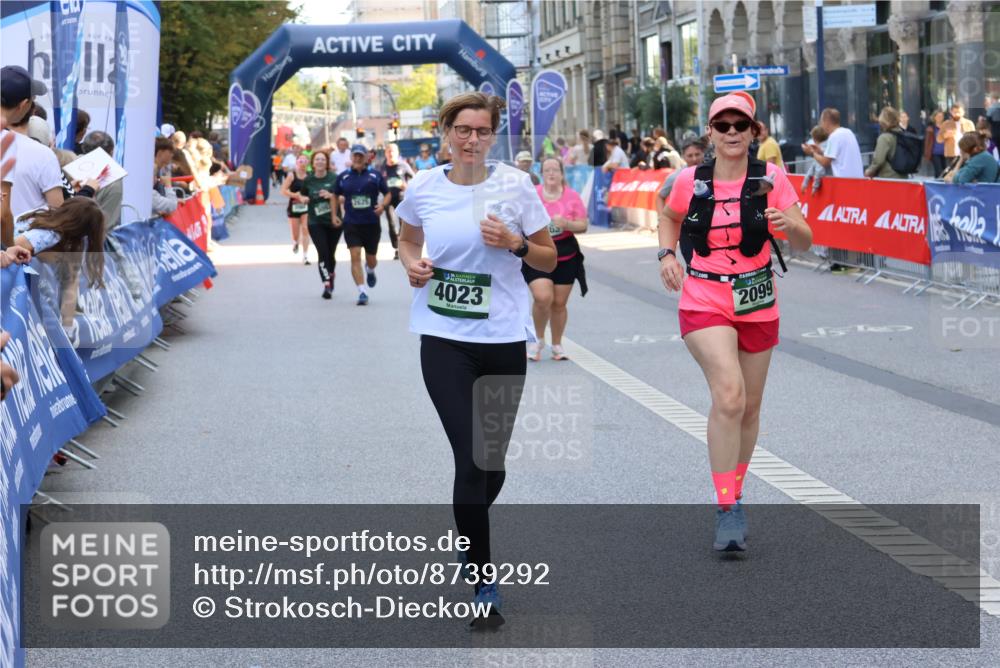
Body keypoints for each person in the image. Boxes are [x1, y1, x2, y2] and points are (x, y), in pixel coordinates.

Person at [397, 91, 556, 627]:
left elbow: (549, 256)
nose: (471, 140)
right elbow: (406, 239)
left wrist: (514, 243)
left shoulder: (515, 184)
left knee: (492, 466)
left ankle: (469, 525)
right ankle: (483, 581)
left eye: (482, 131)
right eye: (462, 130)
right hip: (442, 338)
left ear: (493, 135)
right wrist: (411, 268)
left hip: (503, 339)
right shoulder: (423, 186)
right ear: (446, 133)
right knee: (472, 458)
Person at [657, 91, 812, 552]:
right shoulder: (689, 179)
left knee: (749, 407)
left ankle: (734, 491)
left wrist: (787, 224)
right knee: (729, 395)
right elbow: (668, 216)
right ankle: (727, 506)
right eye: (721, 126)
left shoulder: (773, 178)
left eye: (738, 126)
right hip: (704, 295)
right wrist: (667, 254)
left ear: (752, 132)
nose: (730, 133)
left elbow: (804, 241)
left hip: (757, 295)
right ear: (710, 133)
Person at [14, 197, 106, 343]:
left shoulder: (47, 215)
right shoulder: (49, 235)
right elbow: (10, 248)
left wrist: (67, 330)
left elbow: (71, 282)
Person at [523, 157, 588, 361]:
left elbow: (583, 225)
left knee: (559, 303)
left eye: (555, 170)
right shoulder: (533, 195)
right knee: (543, 297)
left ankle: (557, 343)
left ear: (561, 173)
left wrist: (566, 224)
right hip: (538, 250)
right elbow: (520, 219)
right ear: (542, 173)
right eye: (547, 170)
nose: (551, 173)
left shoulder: (572, 196)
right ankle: (538, 339)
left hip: (565, 252)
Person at [1, 66, 64, 222]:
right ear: (24, 105)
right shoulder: (40, 153)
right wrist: (10, 245)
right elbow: (58, 214)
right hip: (22, 242)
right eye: (32, 100)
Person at [333, 144, 389, 305]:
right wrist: (334, 215)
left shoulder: (375, 175)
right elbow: (335, 195)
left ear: (366, 157)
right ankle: (362, 291)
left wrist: (383, 206)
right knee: (355, 256)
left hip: (371, 223)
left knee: (371, 259)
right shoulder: (343, 176)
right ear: (351, 158)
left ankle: (370, 270)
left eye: (360, 155)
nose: (357, 158)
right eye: (355, 155)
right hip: (351, 223)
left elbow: (388, 194)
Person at [299, 150, 340, 299]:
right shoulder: (308, 180)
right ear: (313, 163)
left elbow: (342, 197)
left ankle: (331, 273)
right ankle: (327, 284)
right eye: (317, 160)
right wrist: (303, 199)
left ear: (327, 162)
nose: (320, 162)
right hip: (315, 222)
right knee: (322, 252)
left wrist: (331, 195)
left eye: (323, 159)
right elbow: (302, 194)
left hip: (334, 221)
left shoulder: (335, 178)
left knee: (331, 253)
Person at [802, 108, 863, 178]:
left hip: (844, 182)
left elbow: (825, 162)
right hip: (858, 180)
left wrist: (812, 153)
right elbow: (837, 157)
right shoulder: (849, 132)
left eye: (821, 122)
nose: (821, 125)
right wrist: (820, 151)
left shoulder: (834, 137)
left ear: (827, 121)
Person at [80, 131, 123, 229]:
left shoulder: (68, 165)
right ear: (111, 152)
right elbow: (107, 223)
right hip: (94, 237)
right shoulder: (114, 180)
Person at [379, 143, 415, 259]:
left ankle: (400, 247)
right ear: (385, 154)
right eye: (388, 151)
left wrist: (406, 185)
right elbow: (378, 183)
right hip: (388, 198)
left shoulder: (403, 165)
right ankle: (396, 247)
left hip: (401, 198)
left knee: (402, 224)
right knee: (391, 224)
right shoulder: (382, 167)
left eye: (393, 151)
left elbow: (414, 180)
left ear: (397, 153)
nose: (391, 154)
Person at [656, 138, 707, 210]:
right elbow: (660, 197)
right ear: (683, 157)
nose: (694, 159)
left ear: (703, 153)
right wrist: (661, 219)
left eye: (697, 154)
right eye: (690, 156)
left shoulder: (713, 171)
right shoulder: (676, 176)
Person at [281, 154, 312, 265]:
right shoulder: (291, 176)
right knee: (295, 234)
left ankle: (305, 256)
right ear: (297, 162)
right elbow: (283, 191)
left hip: (306, 207)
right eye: (300, 161)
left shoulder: (310, 176)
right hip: (293, 207)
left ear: (307, 163)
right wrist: (296, 195)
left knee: (305, 228)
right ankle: (295, 242)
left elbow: (313, 190)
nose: (302, 163)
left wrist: (309, 197)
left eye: (304, 161)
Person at [865, 106, 904, 179]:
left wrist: (868, 171)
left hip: (889, 177)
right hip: (903, 177)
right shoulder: (902, 134)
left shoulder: (884, 138)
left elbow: (878, 161)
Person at [152, 137, 179, 216]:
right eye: (170, 152)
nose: (172, 155)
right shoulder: (152, 169)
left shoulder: (159, 170)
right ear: (160, 152)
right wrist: (168, 185)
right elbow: (171, 205)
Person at [800, 126, 831, 194]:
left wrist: (814, 187)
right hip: (831, 181)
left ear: (814, 138)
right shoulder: (827, 147)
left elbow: (818, 170)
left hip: (827, 185)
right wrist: (805, 183)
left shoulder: (820, 149)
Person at [924, 110, 947, 177]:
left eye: (941, 116)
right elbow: (927, 142)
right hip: (935, 153)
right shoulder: (931, 128)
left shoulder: (946, 127)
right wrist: (927, 154)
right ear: (934, 117)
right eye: (938, 116)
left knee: (946, 171)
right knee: (939, 172)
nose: (940, 118)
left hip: (946, 153)